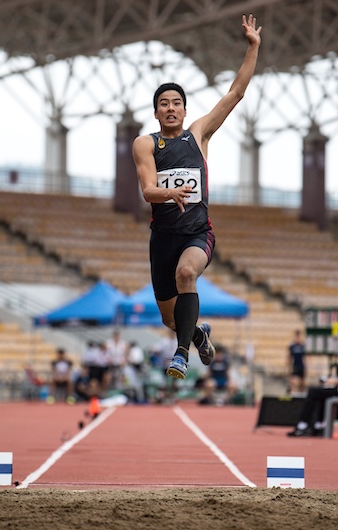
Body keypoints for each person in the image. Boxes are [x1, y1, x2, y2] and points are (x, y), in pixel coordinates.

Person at [132, 14, 262, 380]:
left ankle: (181, 354)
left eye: (177, 103)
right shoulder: (146, 144)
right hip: (163, 238)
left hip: (196, 233)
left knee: (187, 273)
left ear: (185, 110)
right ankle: (197, 333)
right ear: (156, 112)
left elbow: (235, 93)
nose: (171, 108)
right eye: (164, 104)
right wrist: (167, 191)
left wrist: (253, 47)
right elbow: (146, 191)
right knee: (170, 317)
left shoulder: (198, 135)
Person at [288, 329, 306, 395]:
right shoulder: (292, 346)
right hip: (295, 366)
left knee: (302, 383)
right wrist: (288, 367)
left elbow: (306, 357)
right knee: (294, 382)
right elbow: (289, 357)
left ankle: (301, 395)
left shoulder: (303, 346)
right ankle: (293, 394)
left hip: (301, 366)